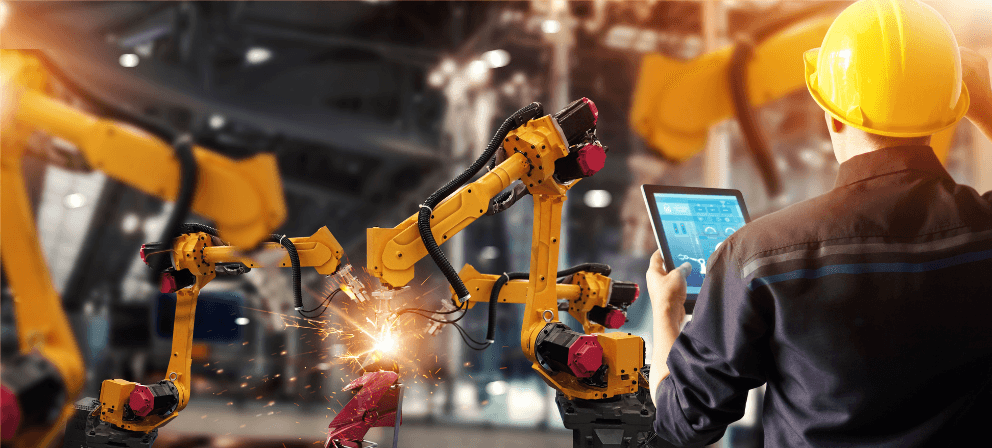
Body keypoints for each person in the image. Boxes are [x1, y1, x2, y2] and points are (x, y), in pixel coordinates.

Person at [645, 0, 992, 446]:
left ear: (831, 113)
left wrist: (666, 312)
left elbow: (682, 423)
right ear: (953, 109)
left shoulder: (758, 256)